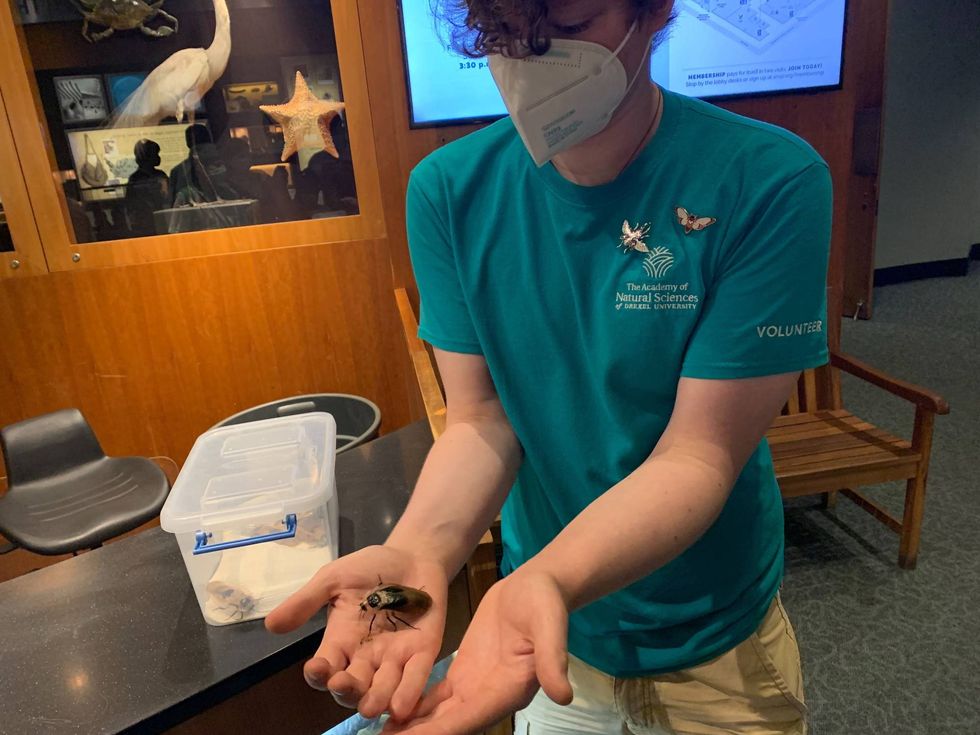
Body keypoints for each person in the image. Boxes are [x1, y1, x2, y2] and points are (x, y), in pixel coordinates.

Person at [267, 2, 831, 734]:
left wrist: (552, 578)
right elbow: (481, 420)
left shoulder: (768, 181)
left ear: (653, 12)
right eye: (509, 35)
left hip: (710, 632)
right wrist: (418, 550)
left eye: (569, 24)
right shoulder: (450, 192)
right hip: (535, 630)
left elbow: (701, 450)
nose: (534, 60)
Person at [124, 139, 170, 236]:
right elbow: (131, 204)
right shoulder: (135, 178)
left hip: (162, 219)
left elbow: (167, 196)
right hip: (144, 222)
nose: (158, 157)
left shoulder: (160, 175)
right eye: (155, 154)